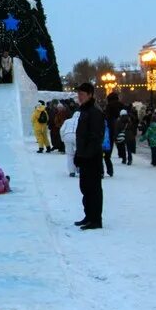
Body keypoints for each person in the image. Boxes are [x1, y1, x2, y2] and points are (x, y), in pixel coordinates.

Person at [73, 83, 105, 230]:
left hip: (92, 158)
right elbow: (81, 137)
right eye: (78, 94)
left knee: (93, 189)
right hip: (84, 156)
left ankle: (95, 219)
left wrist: (85, 155)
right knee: (85, 188)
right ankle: (89, 216)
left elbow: (95, 137)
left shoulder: (95, 112)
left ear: (90, 95)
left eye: (82, 94)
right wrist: (77, 153)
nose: (79, 97)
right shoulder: (85, 111)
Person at [60, 110, 79, 177]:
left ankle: (72, 172)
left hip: (67, 135)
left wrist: (63, 138)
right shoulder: (81, 121)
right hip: (77, 136)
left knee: (70, 155)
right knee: (80, 153)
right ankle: (79, 168)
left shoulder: (67, 121)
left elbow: (62, 130)